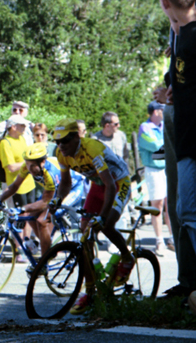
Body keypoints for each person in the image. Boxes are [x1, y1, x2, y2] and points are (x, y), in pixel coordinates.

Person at [52, 119, 134, 314]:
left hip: (118, 184)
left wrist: (103, 216)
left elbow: (111, 186)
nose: (61, 145)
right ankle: (90, 291)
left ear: (76, 137)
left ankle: (127, 257)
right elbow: (65, 183)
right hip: (98, 187)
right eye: (57, 141)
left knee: (106, 225)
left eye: (65, 140)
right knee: (85, 234)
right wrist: (56, 199)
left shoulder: (92, 148)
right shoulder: (61, 154)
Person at [152, 0, 196, 301]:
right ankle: (187, 279)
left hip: (190, 123)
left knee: (189, 206)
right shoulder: (173, 16)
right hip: (176, 116)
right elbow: (180, 68)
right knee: (179, 201)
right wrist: (168, 87)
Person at [0, 143, 85, 262]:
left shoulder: (49, 172)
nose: (29, 168)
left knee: (42, 220)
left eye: (32, 165)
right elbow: (14, 186)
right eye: (27, 164)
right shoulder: (27, 166)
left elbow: (45, 202)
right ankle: (49, 248)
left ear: (42, 162)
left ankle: (45, 260)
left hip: (73, 189)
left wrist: (22, 209)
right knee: (31, 217)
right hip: (55, 191)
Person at [138, 101, 173, 256]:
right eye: (161, 109)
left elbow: (170, 144)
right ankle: (159, 240)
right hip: (153, 170)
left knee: (170, 204)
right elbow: (156, 146)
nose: (163, 111)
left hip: (167, 168)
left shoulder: (164, 125)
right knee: (157, 205)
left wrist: (165, 148)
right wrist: (166, 148)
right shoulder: (144, 128)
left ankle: (172, 238)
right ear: (154, 111)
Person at [0, 114, 36, 257]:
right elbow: (10, 167)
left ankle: (26, 245)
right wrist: (28, 163)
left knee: (29, 216)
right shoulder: (5, 143)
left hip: (29, 183)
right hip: (17, 186)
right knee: (19, 218)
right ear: (13, 127)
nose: (25, 127)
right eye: (22, 125)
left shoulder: (22, 139)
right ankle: (18, 250)